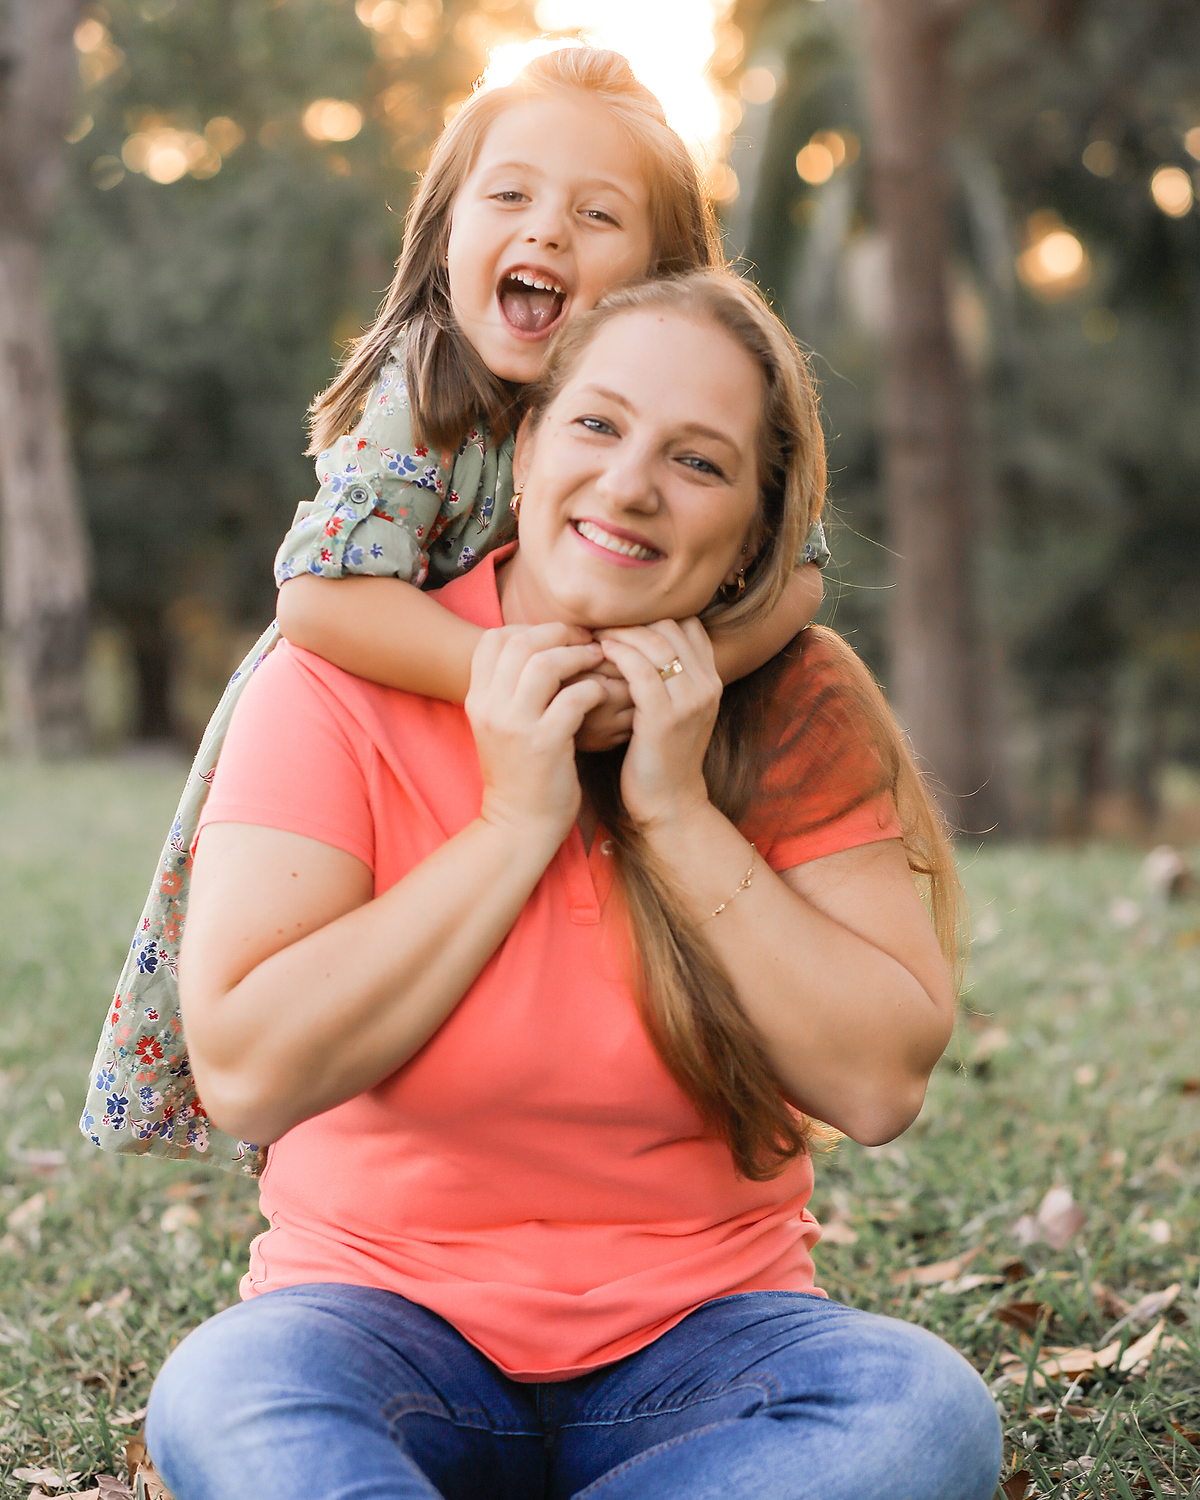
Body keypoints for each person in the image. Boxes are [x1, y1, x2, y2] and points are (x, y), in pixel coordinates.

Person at [144, 271, 1002, 1500]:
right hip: (371, 1323)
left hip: (709, 1338)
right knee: (228, 1397)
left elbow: (874, 1083)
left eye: (699, 462)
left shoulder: (797, 702)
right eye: (596, 424)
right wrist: (511, 823)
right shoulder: (330, 684)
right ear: (530, 447)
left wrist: (673, 808)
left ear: (757, 532)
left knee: (924, 1418)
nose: (632, 484)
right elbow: (248, 1072)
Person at [80, 47, 829, 1170]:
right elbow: (324, 595)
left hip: (587, 718)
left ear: (665, 275)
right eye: (511, 196)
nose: (548, 233)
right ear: (445, 232)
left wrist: (670, 676)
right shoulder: (425, 387)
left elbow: (800, 575)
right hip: (403, 712)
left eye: (597, 214)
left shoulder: (699, 413)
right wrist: (515, 673)